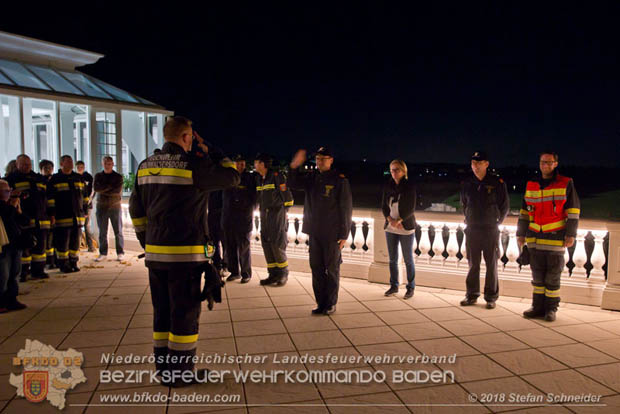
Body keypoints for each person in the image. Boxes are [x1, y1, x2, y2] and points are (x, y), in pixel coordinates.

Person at [129, 116, 239, 387]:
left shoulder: (145, 166)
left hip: (155, 256)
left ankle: (164, 370)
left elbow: (136, 211)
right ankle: (181, 374)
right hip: (185, 256)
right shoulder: (193, 166)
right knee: (184, 314)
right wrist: (211, 148)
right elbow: (232, 175)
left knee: (161, 312)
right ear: (187, 137)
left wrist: (148, 243)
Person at [288, 147, 352, 315]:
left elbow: (345, 209)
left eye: (323, 158)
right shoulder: (312, 178)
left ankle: (331, 303)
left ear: (331, 160)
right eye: (317, 158)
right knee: (316, 268)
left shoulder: (340, 180)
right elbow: (292, 184)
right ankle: (320, 302)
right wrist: (294, 166)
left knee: (331, 269)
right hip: (314, 231)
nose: (319, 161)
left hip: (332, 233)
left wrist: (344, 234)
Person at [517, 151, 580, 322]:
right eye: (543, 162)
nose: (545, 165)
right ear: (539, 164)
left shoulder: (566, 183)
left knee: (552, 278)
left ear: (555, 164)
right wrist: (520, 234)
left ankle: (551, 309)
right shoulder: (531, 184)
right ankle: (537, 307)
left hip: (555, 238)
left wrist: (571, 234)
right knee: (537, 277)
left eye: (549, 162)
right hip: (534, 239)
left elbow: (573, 211)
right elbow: (524, 213)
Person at [459, 151, 509, 309]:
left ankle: (491, 297)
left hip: (490, 230)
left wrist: (496, 222)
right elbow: (464, 205)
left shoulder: (497, 183)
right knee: (473, 264)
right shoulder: (467, 183)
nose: (476, 166)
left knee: (491, 265)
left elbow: (504, 206)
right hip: (472, 229)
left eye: (479, 163)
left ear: (486, 164)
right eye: (473, 163)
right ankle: (471, 295)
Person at [5, 154, 51, 280]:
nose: (27, 167)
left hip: (41, 219)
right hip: (22, 219)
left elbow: (48, 198)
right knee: (24, 248)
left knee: (40, 248)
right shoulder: (11, 180)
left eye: (29, 164)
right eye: (24, 164)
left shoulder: (39, 179)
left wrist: (50, 214)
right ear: (17, 164)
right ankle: (23, 272)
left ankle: (38, 271)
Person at [254, 153, 293, 287]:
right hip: (264, 215)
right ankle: (273, 274)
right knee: (266, 243)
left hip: (276, 215)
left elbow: (287, 197)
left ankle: (283, 274)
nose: (254, 165)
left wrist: (283, 213)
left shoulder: (276, 176)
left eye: (256, 162)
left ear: (262, 164)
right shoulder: (260, 178)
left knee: (277, 243)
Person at [381, 159, 417, 299]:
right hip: (391, 227)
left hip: (405, 227)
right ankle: (394, 286)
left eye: (396, 169)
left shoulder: (409, 186)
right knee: (392, 259)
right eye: (392, 170)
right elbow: (384, 206)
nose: (394, 172)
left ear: (403, 171)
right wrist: (391, 220)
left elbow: (411, 208)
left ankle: (410, 287)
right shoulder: (388, 186)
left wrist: (400, 220)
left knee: (408, 259)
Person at [47, 155, 87, 273]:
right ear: (61, 164)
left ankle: (73, 262)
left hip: (77, 217)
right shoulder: (55, 179)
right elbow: (50, 199)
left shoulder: (78, 178)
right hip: (62, 217)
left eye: (71, 162)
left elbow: (85, 197)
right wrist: (52, 214)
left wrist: (85, 211)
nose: (70, 164)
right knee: (63, 243)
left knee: (75, 243)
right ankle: (63, 264)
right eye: (67, 162)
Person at [222, 155, 257, 283]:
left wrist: (247, 208)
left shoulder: (249, 178)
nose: (240, 166)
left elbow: (254, 197)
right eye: (238, 163)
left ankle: (246, 273)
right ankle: (234, 272)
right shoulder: (229, 177)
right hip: (228, 218)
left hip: (243, 218)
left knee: (244, 247)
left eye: (242, 163)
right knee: (230, 247)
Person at [0, 179, 30, 312]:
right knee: (3, 274)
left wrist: (18, 209)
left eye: (9, 190)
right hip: (3, 244)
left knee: (15, 272)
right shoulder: (3, 206)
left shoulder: (10, 205)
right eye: (6, 191)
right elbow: (6, 215)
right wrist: (12, 205)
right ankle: (1, 302)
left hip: (15, 243)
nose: (9, 193)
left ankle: (12, 299)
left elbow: (24, 220)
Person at [93, 156, 125, 262]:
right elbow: (96, 188)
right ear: (103, 164)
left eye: (110, 163)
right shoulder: (98, 176)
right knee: (102, 231)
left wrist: (104, 188)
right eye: (106, 163)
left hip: (115, 206)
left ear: (113, 164)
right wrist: (110, 187)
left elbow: (117, 191)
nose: (108, 165)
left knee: (118, 231)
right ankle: (103, 253)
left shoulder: (118, 177)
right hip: (101, 207)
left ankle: (120, 252)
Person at [39, 160, 56, 269]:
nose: (48, 170)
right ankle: (47, 261)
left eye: (50, 168)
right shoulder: (40, 181)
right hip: (43, 215)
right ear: (41, 170)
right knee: (46, 240)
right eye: (45, 168)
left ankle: (53, 261)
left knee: (53, 240)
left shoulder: (55, 180)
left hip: (54, 214)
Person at [76, 161, 95, 252]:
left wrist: (87, 206)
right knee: (78, 227)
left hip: (87, 205)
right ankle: (77, 246)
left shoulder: (88, 177)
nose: (80, 168)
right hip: (77, 207)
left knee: (87, 226)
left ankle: (90, 246)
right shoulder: (74, 177)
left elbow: (91, 192)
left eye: (81, 166)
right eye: (78, 166)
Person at [207, 190, 227, 275]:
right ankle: (217, 264)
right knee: (214, 242)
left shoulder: (214, 188)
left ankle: (223, 265)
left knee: (222, 242)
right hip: (214, 216)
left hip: (220, 215)